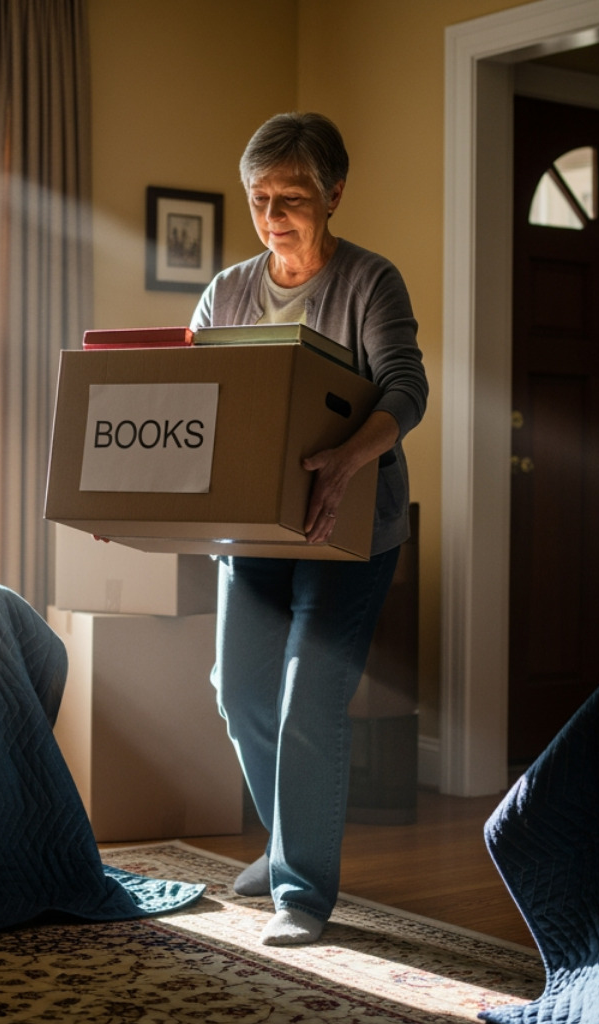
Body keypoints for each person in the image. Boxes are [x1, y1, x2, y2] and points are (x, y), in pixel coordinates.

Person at [190, 112, 428, 947]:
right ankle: (286, 841)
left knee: (306, 696)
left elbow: (405, 390)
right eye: (259, 198)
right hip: (255, 525)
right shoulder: (226, 289)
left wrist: (348, 458)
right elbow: (198, 404)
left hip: (348, 519)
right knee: (241, 689)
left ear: (333, 193)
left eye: (291, 196)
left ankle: (301, 889)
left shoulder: (371, 281)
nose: (273, 214)